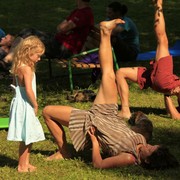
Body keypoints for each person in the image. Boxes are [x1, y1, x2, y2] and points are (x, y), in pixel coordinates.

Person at [42, 9, 179, 170]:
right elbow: (143, 126)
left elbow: (98, 164)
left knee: (47, 111)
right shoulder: (142, 141)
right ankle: (105, 32)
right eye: (153, 145)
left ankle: (64, 151)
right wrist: (139, 118)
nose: (148, 146)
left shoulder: (128, 157)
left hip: (92, 123)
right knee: (109, 74)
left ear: (146, 161)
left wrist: (94, 141)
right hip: (108, 115)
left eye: (149, 150)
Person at [116, 0, 180, 120]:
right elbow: (173, 114)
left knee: (162, 40)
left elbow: (176, 116)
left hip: (165, 81)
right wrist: (167, 94)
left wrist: (168, 92)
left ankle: (159, 5)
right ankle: (125, 110)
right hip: (158, 82)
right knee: (120, 72)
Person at [7, 36, 45, 172]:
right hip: (26, 104)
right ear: (28, 52)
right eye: (38, 55)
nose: (39, 59)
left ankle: (26, 162)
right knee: (26, 137)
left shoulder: (19, 66)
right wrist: (35, 104)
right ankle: (22, 165)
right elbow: (28, 90)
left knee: (29, 134)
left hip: (21, 102)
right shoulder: (26, 69)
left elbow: (14, 84)